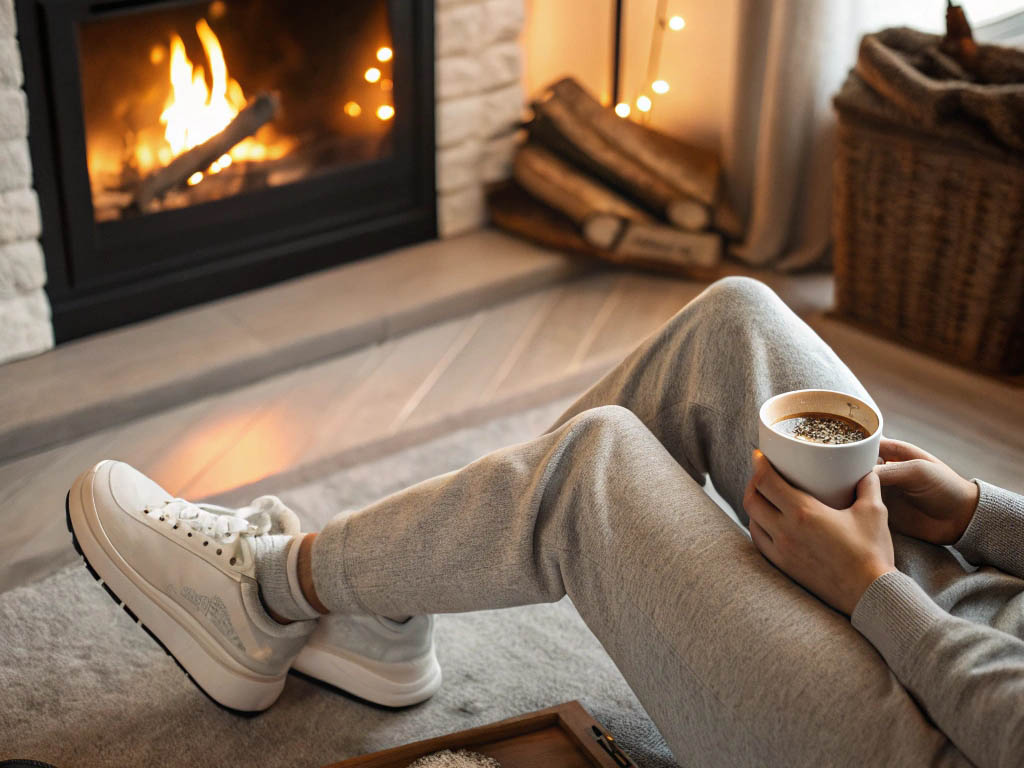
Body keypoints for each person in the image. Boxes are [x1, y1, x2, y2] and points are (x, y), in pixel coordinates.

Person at [67, 277, 1023, 768]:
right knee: (733, 324)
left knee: (591, 469)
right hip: (977, 620)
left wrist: (872, 590)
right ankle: (382, 604)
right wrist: (978, 511)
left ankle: (268, 591)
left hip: (933, 739)